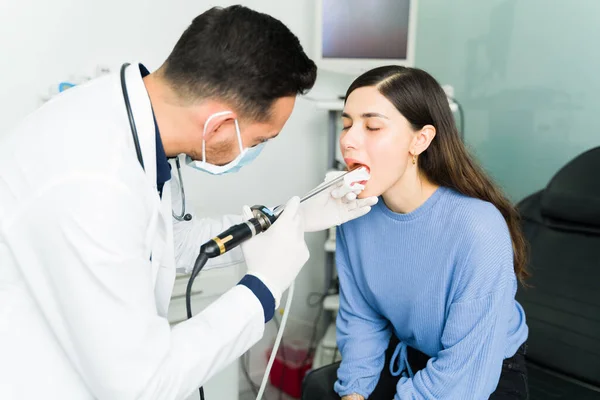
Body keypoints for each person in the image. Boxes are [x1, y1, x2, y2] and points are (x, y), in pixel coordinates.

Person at [0, 6, 377, 400]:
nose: (257, 149)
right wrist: (262, 287)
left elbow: (169, 243)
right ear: (218, 125)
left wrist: (288, 220)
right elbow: (142, 385)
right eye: (262, 139)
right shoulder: (93, 181)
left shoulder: (124, 123)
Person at [306, 66, 530, 400]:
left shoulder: (477, 227)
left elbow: (463, 375)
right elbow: (362, 316)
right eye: (347, 123)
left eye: (372, 126)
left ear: (420, 139)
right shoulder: (354, 215)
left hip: (481, 373)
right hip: (412, 357)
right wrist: (354, 391)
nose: (349, 140)